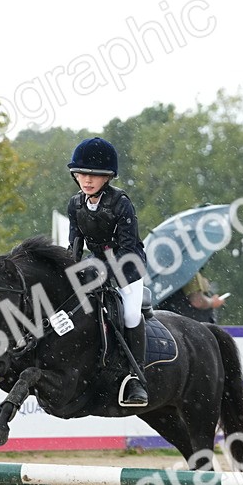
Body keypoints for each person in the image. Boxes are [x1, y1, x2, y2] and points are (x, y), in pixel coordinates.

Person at [65, 137, 149, 407]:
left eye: (94, 175)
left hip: (127, 265)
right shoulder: (75, 204)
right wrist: (69, 274)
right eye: (82, 174)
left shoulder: (121, 202)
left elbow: (126, 247)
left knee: (130, 313)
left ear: (108, 177)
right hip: (95, 263)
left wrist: (106, 275)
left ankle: (135, 377)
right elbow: (75, 245)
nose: (87, 180)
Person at [158, 272, 224, 324]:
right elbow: (197, 301)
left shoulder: (158, 274)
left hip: (167, 323)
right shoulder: (186, 268)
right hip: (192, 325)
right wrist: (213, 302)